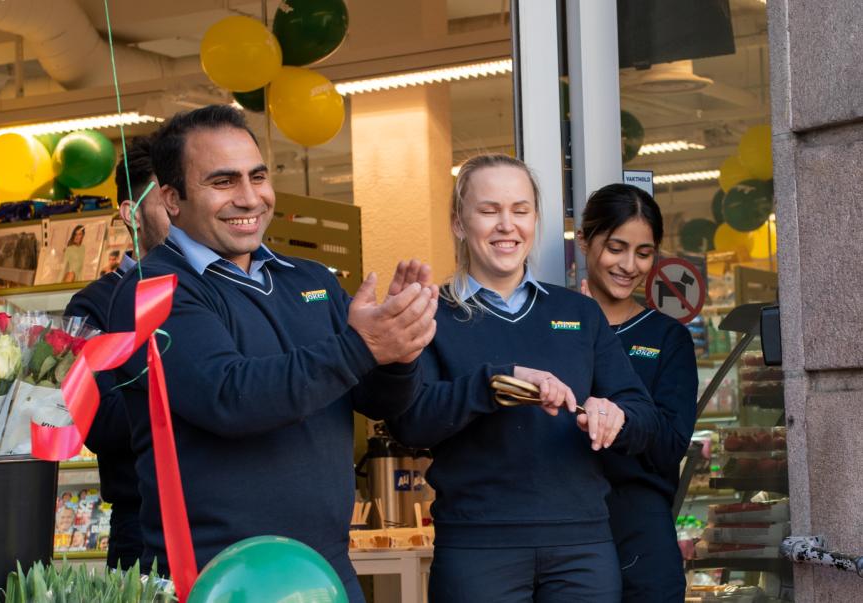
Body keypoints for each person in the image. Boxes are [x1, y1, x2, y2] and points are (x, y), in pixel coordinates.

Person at [107, 104, 437, 601]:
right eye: (223, 182)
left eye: (257, 176)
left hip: (324, 567)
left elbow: (378, 401)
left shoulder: (310, 279)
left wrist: (398, 349)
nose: (249, 198)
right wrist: (360, 345)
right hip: (221, 576)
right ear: (172, 200)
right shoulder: (151, 292)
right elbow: (229, 396)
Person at [386, 154, 658, 602]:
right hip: (478, 548)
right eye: (489, 210)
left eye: (520, 210)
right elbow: (411, 422)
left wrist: (617, 415)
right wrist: (494, 385)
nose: (506, 225)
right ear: (459, 222)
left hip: (582, 548)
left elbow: (645, 419)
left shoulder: (579, 312)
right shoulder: (432, 312)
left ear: (535, 220)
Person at [577, 184, 697, 602]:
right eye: (615, 247)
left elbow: (669, 445)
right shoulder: (556, 326)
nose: (629, 265)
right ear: (584, 240)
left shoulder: (668, 338)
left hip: (641, 530)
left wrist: (621, 420)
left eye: (643, 253)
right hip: (563, 529)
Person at [63, 135, 170, 570]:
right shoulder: (93, 306)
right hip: (143, 524)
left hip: (232, 514)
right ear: (132, 213)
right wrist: (199, 395)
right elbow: (99, 421)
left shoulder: (218, 290)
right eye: (168, 198)